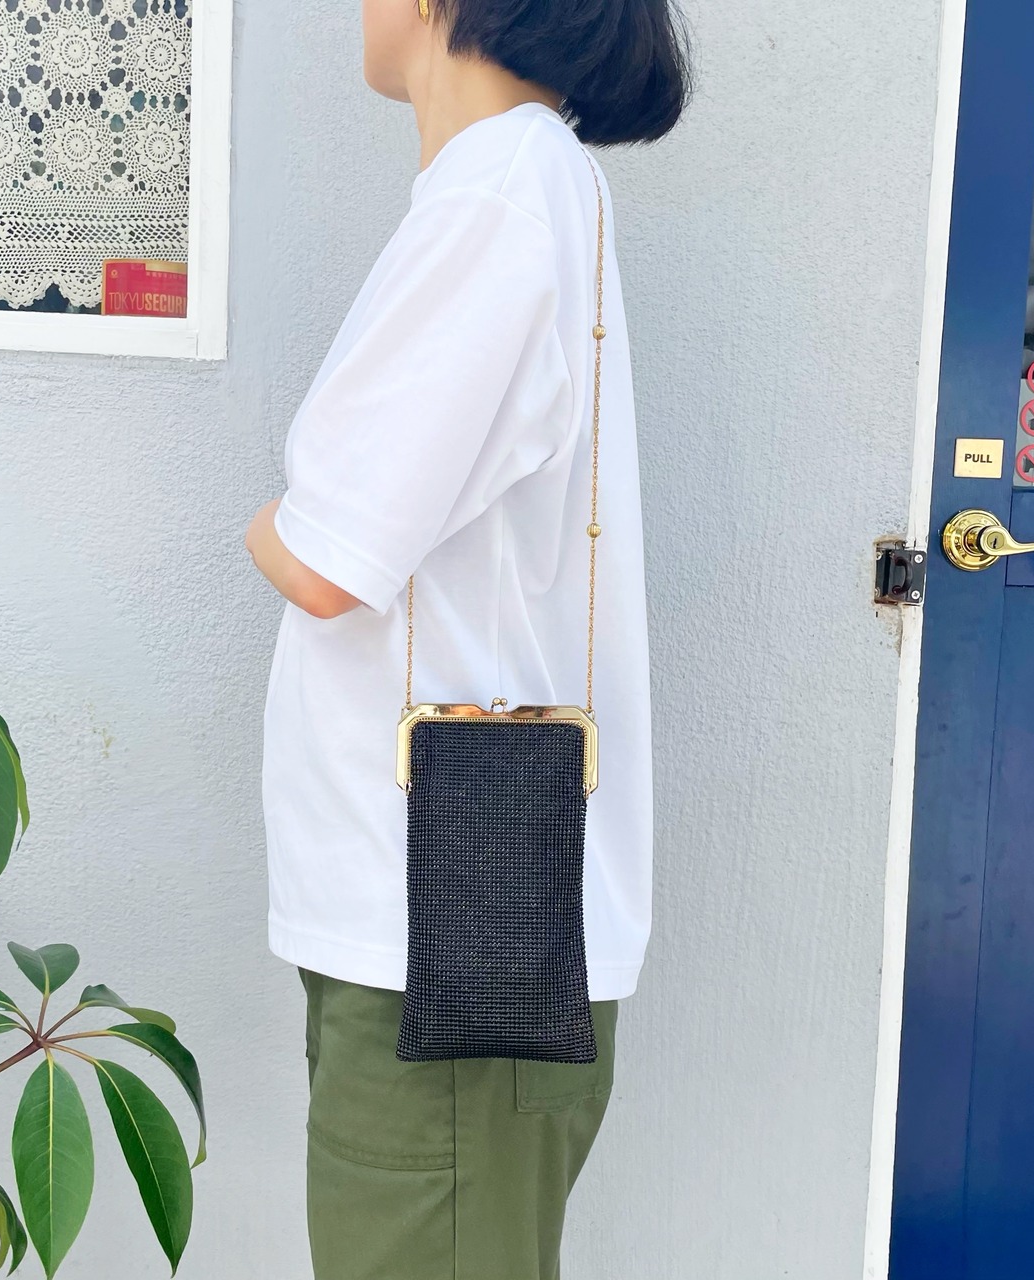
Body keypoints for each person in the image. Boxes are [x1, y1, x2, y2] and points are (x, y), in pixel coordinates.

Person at [245, 2, 690, 1276]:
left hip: (443, 937)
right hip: (451, 911)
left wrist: (264, 522)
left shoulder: (495, 198)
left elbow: (326, 559)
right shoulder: (524, 182)